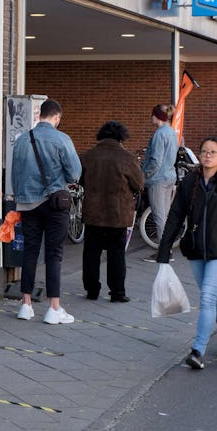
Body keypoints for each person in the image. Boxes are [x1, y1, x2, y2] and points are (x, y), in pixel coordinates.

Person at [157, 137, 217, 370]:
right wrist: (164, 247)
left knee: (208, 296)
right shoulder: (190, 182)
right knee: (211, 295)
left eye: (213, 152)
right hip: (196, 249)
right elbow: (175, 215)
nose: (208, 155)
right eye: (204, 151)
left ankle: (197, 350)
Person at [10, 98, 82, 324]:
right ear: (57, 117)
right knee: (54, 254)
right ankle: (54, 308)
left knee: (30, 252)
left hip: (28, 204)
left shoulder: (21, 140)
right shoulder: (62, 139)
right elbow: (75, 174)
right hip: (54, 204)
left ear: (39, 115)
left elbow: (14, 176)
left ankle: (26, 304)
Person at [79, 121, 144, 302]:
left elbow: (79, 179)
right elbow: (139, 184)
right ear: (121, 137)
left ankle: (92, 290)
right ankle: (117, 292)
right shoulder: (128, 158)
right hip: (118, 214)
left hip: (93, 213)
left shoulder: (88, 156)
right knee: (116, 254)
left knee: (91, 253)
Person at [141, 103, 178, 261]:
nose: (150, 117)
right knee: (166, 215)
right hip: (169, 176)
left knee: (159, 216)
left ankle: (164, 252)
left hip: (158, 179)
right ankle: (167, 249)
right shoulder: (171, 132)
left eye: (152, 114)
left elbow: (155, 161)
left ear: (157, 116)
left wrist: (144, 176)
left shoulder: (159, 134)